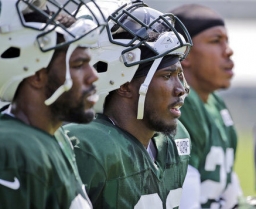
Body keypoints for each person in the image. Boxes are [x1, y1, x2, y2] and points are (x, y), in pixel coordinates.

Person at [0, 0, 105, 208]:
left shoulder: (51, 134)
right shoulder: (8, 149)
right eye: (79, 64)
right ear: (36, 75)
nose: (93, 76)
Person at [64, 1, 193, 208]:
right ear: (124, 85)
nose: (181, 89)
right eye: (167, 75)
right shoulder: (89, 146)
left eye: (180, 74)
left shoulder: (176, 139)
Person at [170, 4, 243, 209]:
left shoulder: (215, 102)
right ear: (185, 53)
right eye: (215, 41)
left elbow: (229, 189)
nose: (228, 51)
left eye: (226, 41)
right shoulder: (184, 103)